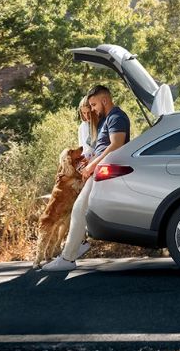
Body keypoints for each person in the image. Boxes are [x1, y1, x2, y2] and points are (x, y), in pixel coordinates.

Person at [43, 85, 130, 272]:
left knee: (79, 208)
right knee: (82, 210)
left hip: (105, 170)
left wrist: (92, 165)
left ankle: (68, 257)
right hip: (100, 169)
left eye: (94, 104)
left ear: (105, 100)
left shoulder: (117, 117)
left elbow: (116, 144)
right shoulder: (107, 119)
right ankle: (77, 246)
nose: (92, 109)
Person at [77, 96, 99, 160]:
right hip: (87, 162)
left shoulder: (102, 123)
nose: (87, 116)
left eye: (89, 113)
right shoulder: (82, 127)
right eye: (84, 113)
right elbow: (82, 148)